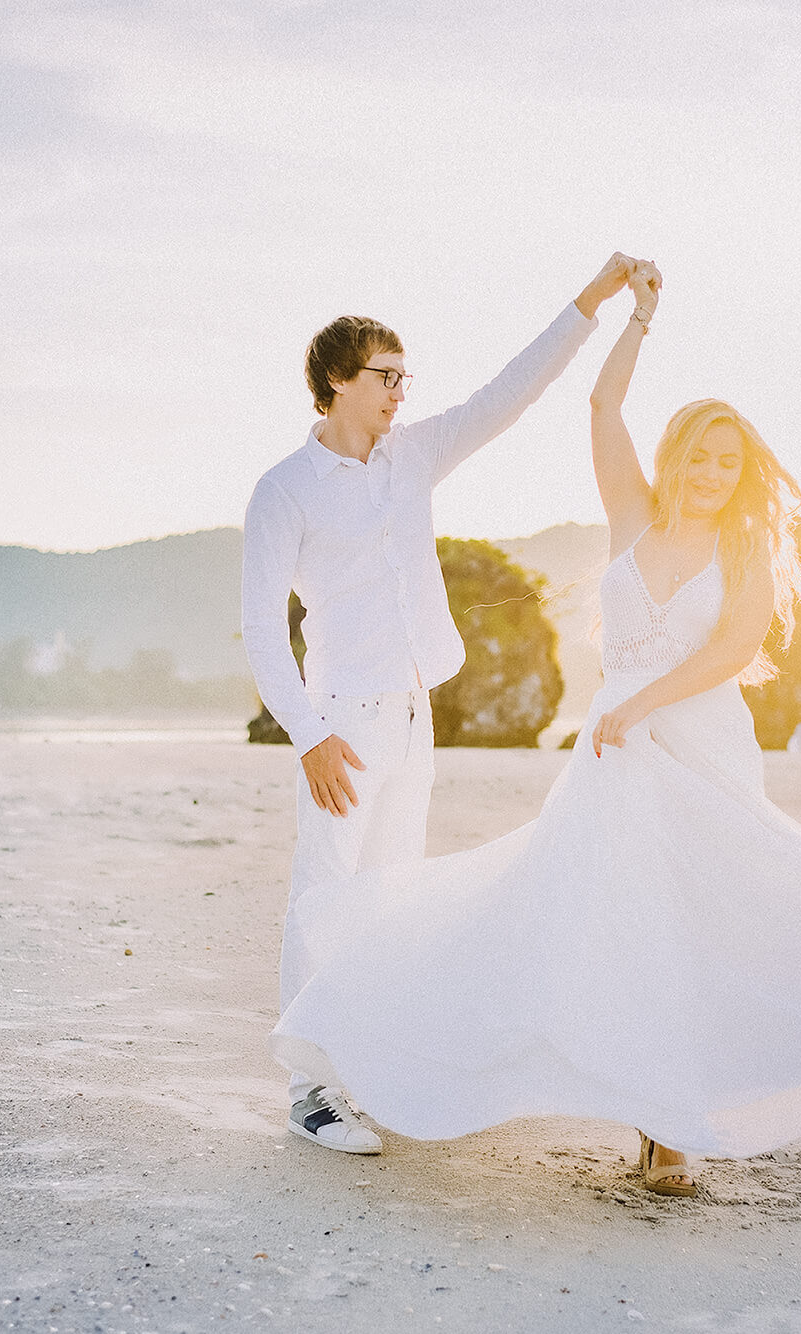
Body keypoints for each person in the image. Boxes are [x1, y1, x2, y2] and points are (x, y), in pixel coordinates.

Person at [268, 262, 801, 1193]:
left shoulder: (748, 552)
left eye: (728, 463)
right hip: (611, 753)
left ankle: (666, 1126)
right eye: (698, 455)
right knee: (602, 920)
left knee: (693, 920)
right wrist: (634, 316)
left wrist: (639, 705)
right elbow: (599, 408)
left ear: (744, 476)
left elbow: (735, 650)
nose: (710, 474)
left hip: (691, 745)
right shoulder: (633, 512)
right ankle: (377, 1062)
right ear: (675, 459)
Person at [242, 253, 640, 1154]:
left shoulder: (413, 455)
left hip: (415, 713)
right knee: (326, 891)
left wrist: (594, 299)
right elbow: (265, 630)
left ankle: (367, 1066)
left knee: (389, 894)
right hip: (339, 717)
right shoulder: (284, 491)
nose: (399, 391)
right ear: (336, 383)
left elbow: (512, 391)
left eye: (403, 376)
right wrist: (308, 736)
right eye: (385, 376)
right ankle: (310, 1087)